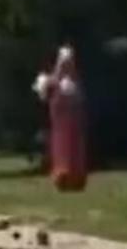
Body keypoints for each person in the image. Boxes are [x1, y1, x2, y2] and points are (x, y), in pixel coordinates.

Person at [34, 45, 89, 192]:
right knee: (61, 149)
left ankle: (76, 178)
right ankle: (62, 177)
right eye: (64, 63)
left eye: (69, 63)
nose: (66, 66)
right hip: (60, 125)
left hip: (74, 124)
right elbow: (45, 96)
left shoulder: (75, 82)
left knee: (75, 149)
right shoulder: (53, 81)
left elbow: (80, 100)